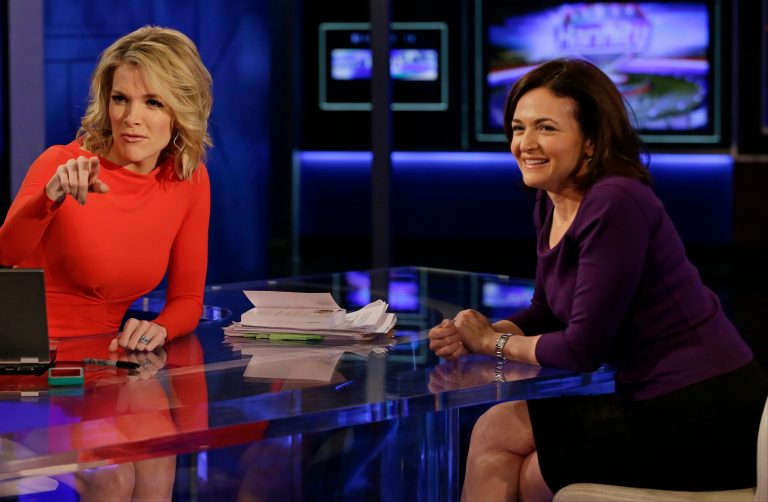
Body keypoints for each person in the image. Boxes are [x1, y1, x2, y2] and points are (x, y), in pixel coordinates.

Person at [428, 58, 768, 501]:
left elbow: (580, 349)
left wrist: (489, 343)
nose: (525, 144)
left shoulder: (616, 201)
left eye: (546, 128)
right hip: (653, 402)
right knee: (518, 458)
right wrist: (481, 332)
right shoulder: (551, 201)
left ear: (590, 142)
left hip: (704, 409)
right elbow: (547, 311)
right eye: (517, 127)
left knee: (508, 443)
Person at [0, 25, 212, 354]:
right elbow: (5, 255)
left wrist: (159, 327)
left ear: (181, 110)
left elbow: (188, 299)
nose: (131, 117)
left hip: (103, 362)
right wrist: (49, 197)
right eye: (120, 99)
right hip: (23, 358)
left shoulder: (188, 179)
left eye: (153, 102)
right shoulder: (62, 163)